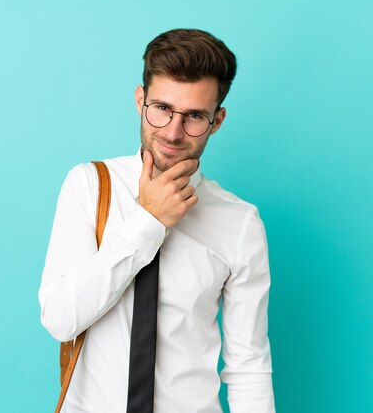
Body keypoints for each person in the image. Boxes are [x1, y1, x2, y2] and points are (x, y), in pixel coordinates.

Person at [39, 28, 275, 413]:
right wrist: (148, 221)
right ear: (140, 100)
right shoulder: (89, 186)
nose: (173, 132)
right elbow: (60, 319)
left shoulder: (239, 223)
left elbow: (249, 365)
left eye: (195, 115)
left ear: (217, 120)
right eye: (162, 108)